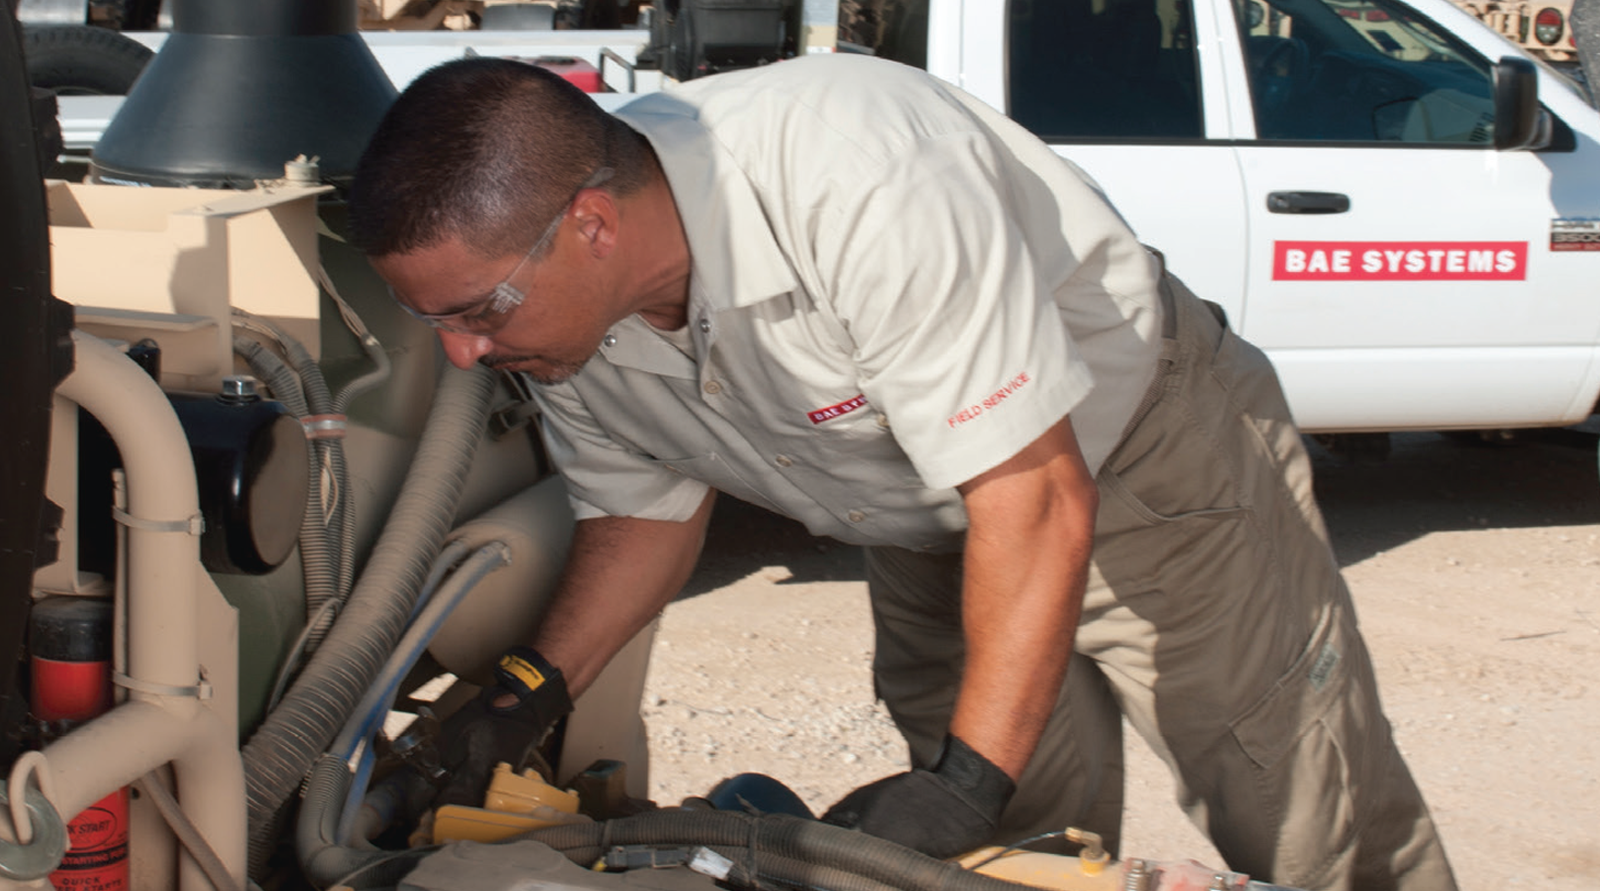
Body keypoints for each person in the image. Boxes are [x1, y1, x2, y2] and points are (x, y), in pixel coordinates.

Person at [348, 53, 1457, 890]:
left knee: (1296, 797)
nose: (461, 354)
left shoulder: (854, 181)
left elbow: (1035, 490)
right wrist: (524, 693)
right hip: (923, 517)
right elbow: (642, 516)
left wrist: (960, 780)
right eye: (433, 319)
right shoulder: (560, 321)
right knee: (1012, 846)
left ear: (590, 224)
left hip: (1138, 460)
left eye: (476, 311)